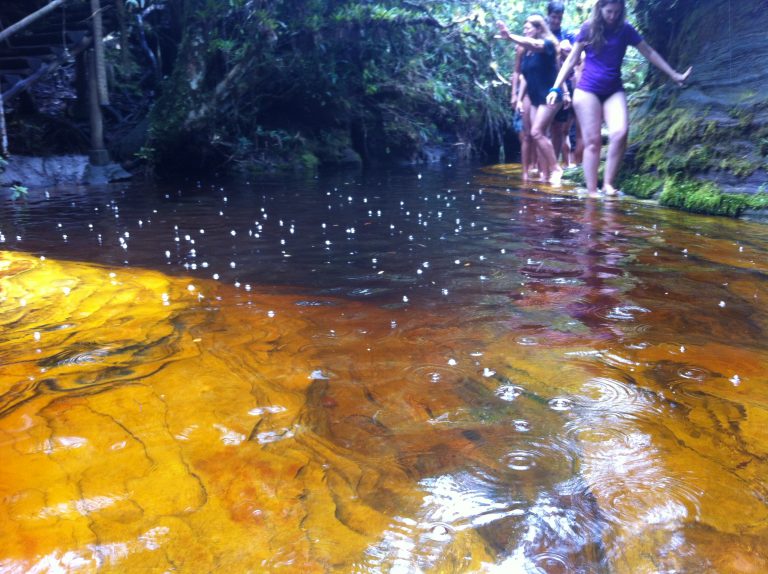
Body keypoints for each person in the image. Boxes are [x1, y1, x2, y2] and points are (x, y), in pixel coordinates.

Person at [546, 0, 691, 195]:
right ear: (600, 9)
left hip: (614, 89)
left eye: (616, 12)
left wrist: (674, 74)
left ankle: (608, 184)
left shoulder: (626, 29)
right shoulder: (589, 27)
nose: (612, 16)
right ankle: (591, 192)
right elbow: (572, 59)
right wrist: (556, 88)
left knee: (620, 132)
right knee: (593, 141)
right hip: (587, 90)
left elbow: (648, 51)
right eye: (608, 11)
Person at [498, 15, 563, 186]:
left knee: (537, 132)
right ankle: (546, 175)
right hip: (535, 99)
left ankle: (556, 169)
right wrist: (518, 98)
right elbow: (524, 76)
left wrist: (510, 36)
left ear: (539, 29)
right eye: (524, 28)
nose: (525, 31)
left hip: (550, 97)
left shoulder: (548, 43)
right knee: (535, 135)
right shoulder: (525, 53)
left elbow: (535, 45)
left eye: (528, 28)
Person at [546, 1, 576, 166]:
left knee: (559, 128)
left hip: (565, 85)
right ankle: (540, 166)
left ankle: (554, 166)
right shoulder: (541, 33)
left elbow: (576, 59)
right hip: (544, 84)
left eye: (559, 17)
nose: (556, 21)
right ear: (548, 15)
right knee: (542, 128)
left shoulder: (567, 35)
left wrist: (568, 50)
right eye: (554, 17)